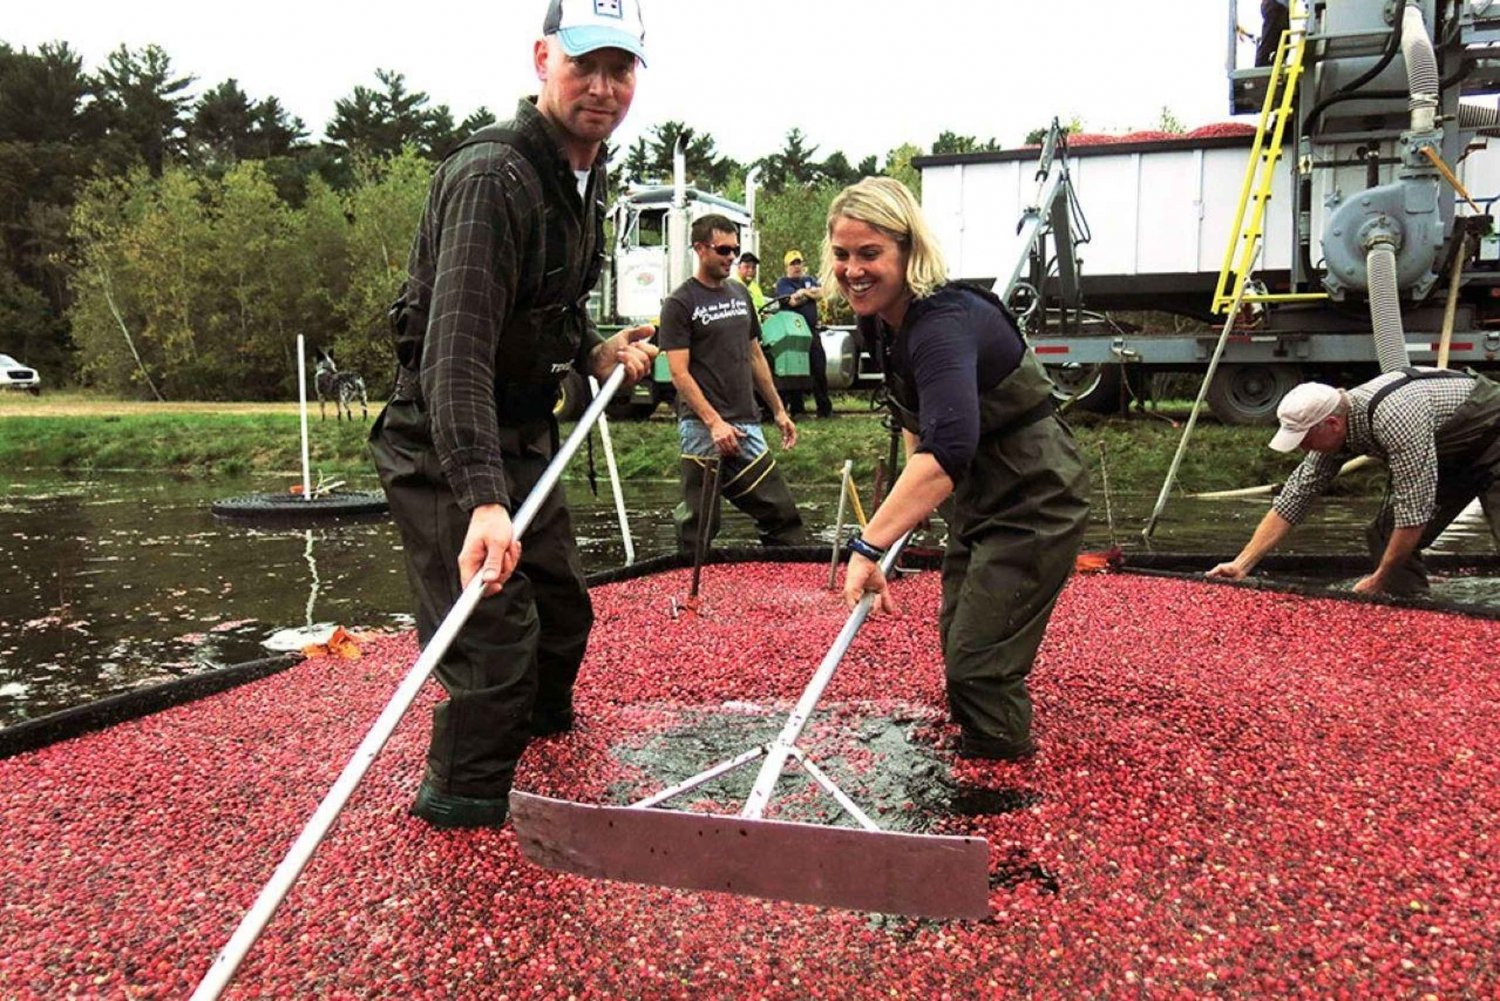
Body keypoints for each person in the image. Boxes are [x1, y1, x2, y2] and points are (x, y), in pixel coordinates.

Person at [369, 0, 656, 829]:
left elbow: (546, 309)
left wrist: (596, 349)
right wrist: (484, 501)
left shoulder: (587, 170)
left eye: (621, 67)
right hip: (443, 438)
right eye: (584, 64)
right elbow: (453, 354)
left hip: (524, 426)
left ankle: (539, 763)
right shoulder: (493, 177)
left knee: (562, 612)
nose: (602, 87)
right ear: (542, 59)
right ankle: (462, 809)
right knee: (492, 646)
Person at [830, 177, 1090, 762]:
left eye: (870, 253)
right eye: (843, 254)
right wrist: (908, 513)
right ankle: (983, 743)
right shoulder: (880, 322)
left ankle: (1001, 786)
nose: (853, 270)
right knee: (960, 643)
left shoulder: (942, 323)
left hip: (1034, 494)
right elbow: (918, 425)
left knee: (978, 666)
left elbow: (948, 446)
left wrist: (867, 546)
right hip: (975, 494)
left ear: (907, 250)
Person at [1207, 368, 1500, 596]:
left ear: (1332, 425)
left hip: (1492, 438)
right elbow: (1294, 499)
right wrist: (1242, 564)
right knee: (1384, 535)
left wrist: (1378, 578)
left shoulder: (1394, 420)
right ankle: (1412, 606)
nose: (1302, 449)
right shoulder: (1336, 425)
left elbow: (1414, 512)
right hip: (1456, 455)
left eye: (1305, 441)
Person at [660, 214, 807, 553]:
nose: (730, 257)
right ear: (699, 248)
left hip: (747, 422)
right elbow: (679, 373)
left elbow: (755, 356)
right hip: (702, 429)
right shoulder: (680, 303)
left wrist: (779, 411)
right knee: (698, 527)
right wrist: (714, 423)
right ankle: (691, 593)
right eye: (723, 249)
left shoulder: (740, 294)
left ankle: (785, 591)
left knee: (782, 514)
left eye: (735, 250)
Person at [774, 249, 833, 418]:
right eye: (793, 264)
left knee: (819, 369)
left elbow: (822, 293)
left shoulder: (808, 280)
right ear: (787, 267)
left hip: (812, 331)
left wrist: (804, 293)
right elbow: (791, 301)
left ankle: (825, 410)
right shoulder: (783, 283)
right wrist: (810, 294)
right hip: (793, 334)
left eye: (798, 263)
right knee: (796, 370)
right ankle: (797, 410)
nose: (796, 267)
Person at [1256, 0, 1290, 67]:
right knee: (1269, 38)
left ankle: (1273, 61)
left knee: (1284, 42)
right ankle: (1260, 64)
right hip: (1274, 5)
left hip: (1281, 7)